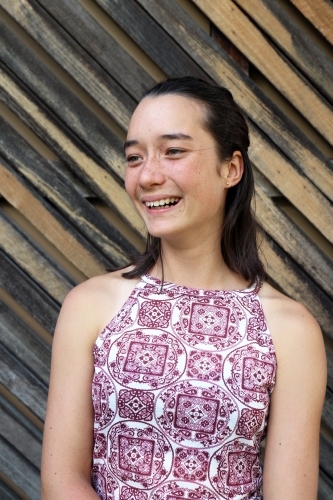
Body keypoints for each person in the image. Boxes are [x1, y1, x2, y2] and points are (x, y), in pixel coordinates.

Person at [41, 77, 326, 500]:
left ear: (231, 168)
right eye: (134, 157)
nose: (148, 176)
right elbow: (62, 481)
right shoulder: (91, 306)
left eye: (173, 151)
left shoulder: (290, 330)